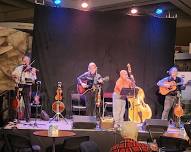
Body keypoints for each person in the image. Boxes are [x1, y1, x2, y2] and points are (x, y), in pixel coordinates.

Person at [12, 54, 37, 122]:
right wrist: (16, 78)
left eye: (27, 61)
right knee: (16, 102)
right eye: (24, 60)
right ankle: (15, 117)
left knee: (27, 103)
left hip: (27, 86)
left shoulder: (31, 69)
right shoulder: (18, 68)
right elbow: (13, 75)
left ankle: (27, 119)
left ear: (29, 61)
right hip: (18, 86)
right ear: (22, 61)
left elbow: (34, 80)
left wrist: (33, 74)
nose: (26, 62)